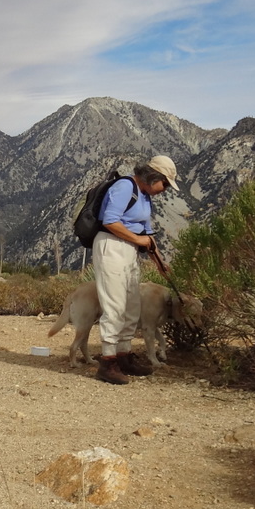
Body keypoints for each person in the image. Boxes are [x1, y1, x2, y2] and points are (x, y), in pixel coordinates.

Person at [92, 155, 179, 385]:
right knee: (115, 304)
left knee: (131, 304)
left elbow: (147, 234)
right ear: (154, 177)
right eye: (166, 184)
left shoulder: (145, 196)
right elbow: (110, 221)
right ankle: (107, 361)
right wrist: (138, 241)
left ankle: (124, 355)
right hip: (111, 246)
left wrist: (160, 261)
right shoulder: (125, 187)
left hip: (128, 249)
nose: (165, 189)